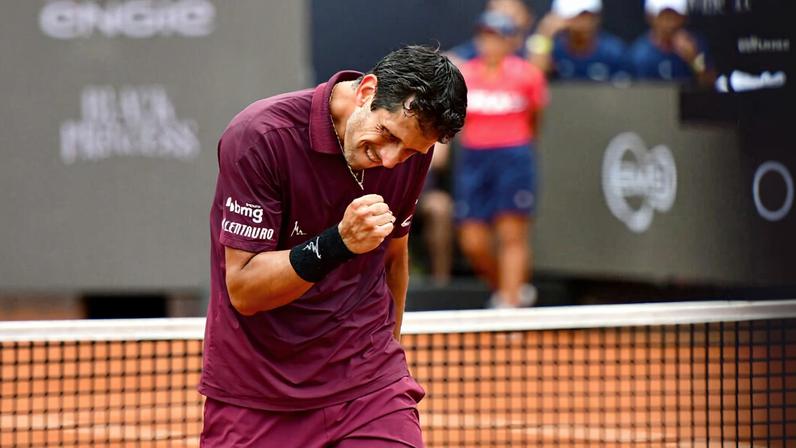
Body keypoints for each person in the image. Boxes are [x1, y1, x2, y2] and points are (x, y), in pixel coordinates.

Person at [198, 45, 467, 447]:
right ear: (366, 91)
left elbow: (394, 259)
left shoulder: (409, 151)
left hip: (368, 385)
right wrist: (336, 243)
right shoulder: (259, 137)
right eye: (388, 135)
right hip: (258, 389)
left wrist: (383, 358)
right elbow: (244, 289)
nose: (393, 161)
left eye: (412, 151)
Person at [454, 11, 548, 308]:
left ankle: (508, 308)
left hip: (514, 158)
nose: (489, 42)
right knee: (472, 241)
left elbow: (535, 117)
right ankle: (510, 290)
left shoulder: (527, 75)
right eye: (485, 35)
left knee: (511, 235)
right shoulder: (465, 75)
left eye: (497, 36)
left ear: (510, 41)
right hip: (474, 161)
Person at [527, 0, 629, 82]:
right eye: (577, 16)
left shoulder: (613, 51)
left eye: (590, 15)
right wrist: (544, 33)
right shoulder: (553, 49)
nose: (585, 22)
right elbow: (534, 77)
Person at [627, 0, 712, 84]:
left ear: (684, 18)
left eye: (675, 16)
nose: (671, 24)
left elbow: (709, 84)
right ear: (651, 17)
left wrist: (694, 59)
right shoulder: (639, 53)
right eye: (664, 17)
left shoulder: (695, 45)